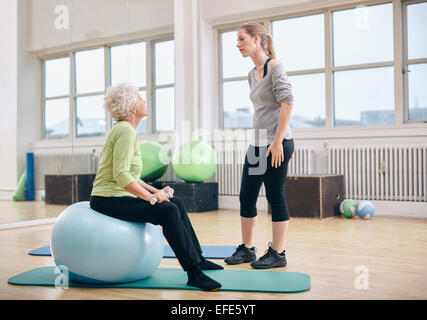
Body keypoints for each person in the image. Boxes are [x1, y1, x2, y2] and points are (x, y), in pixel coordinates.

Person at [90, 83, 223, 291]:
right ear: (132, 108)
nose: (145, 101)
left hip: (117, 196)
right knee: (168, 211)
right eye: (141, 99)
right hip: (107, 200)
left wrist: (156, 192)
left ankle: (199, 259)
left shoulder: (125, 130)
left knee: (175, 202)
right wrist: (149, 198)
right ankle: (194, 273)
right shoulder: (126, 131)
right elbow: (121, 175)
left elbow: (132, 175)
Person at [224, 22, 295, 269]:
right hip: (257, 145)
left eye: (241, 39)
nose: (238, 44)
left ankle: (278, 253)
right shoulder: (251, 74)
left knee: (275, 197)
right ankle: (247, 249)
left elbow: (287, 103)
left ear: (256, 39)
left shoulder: (274, 67)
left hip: (276, 144)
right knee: (246, 195)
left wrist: (277, 143)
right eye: (237, 40)